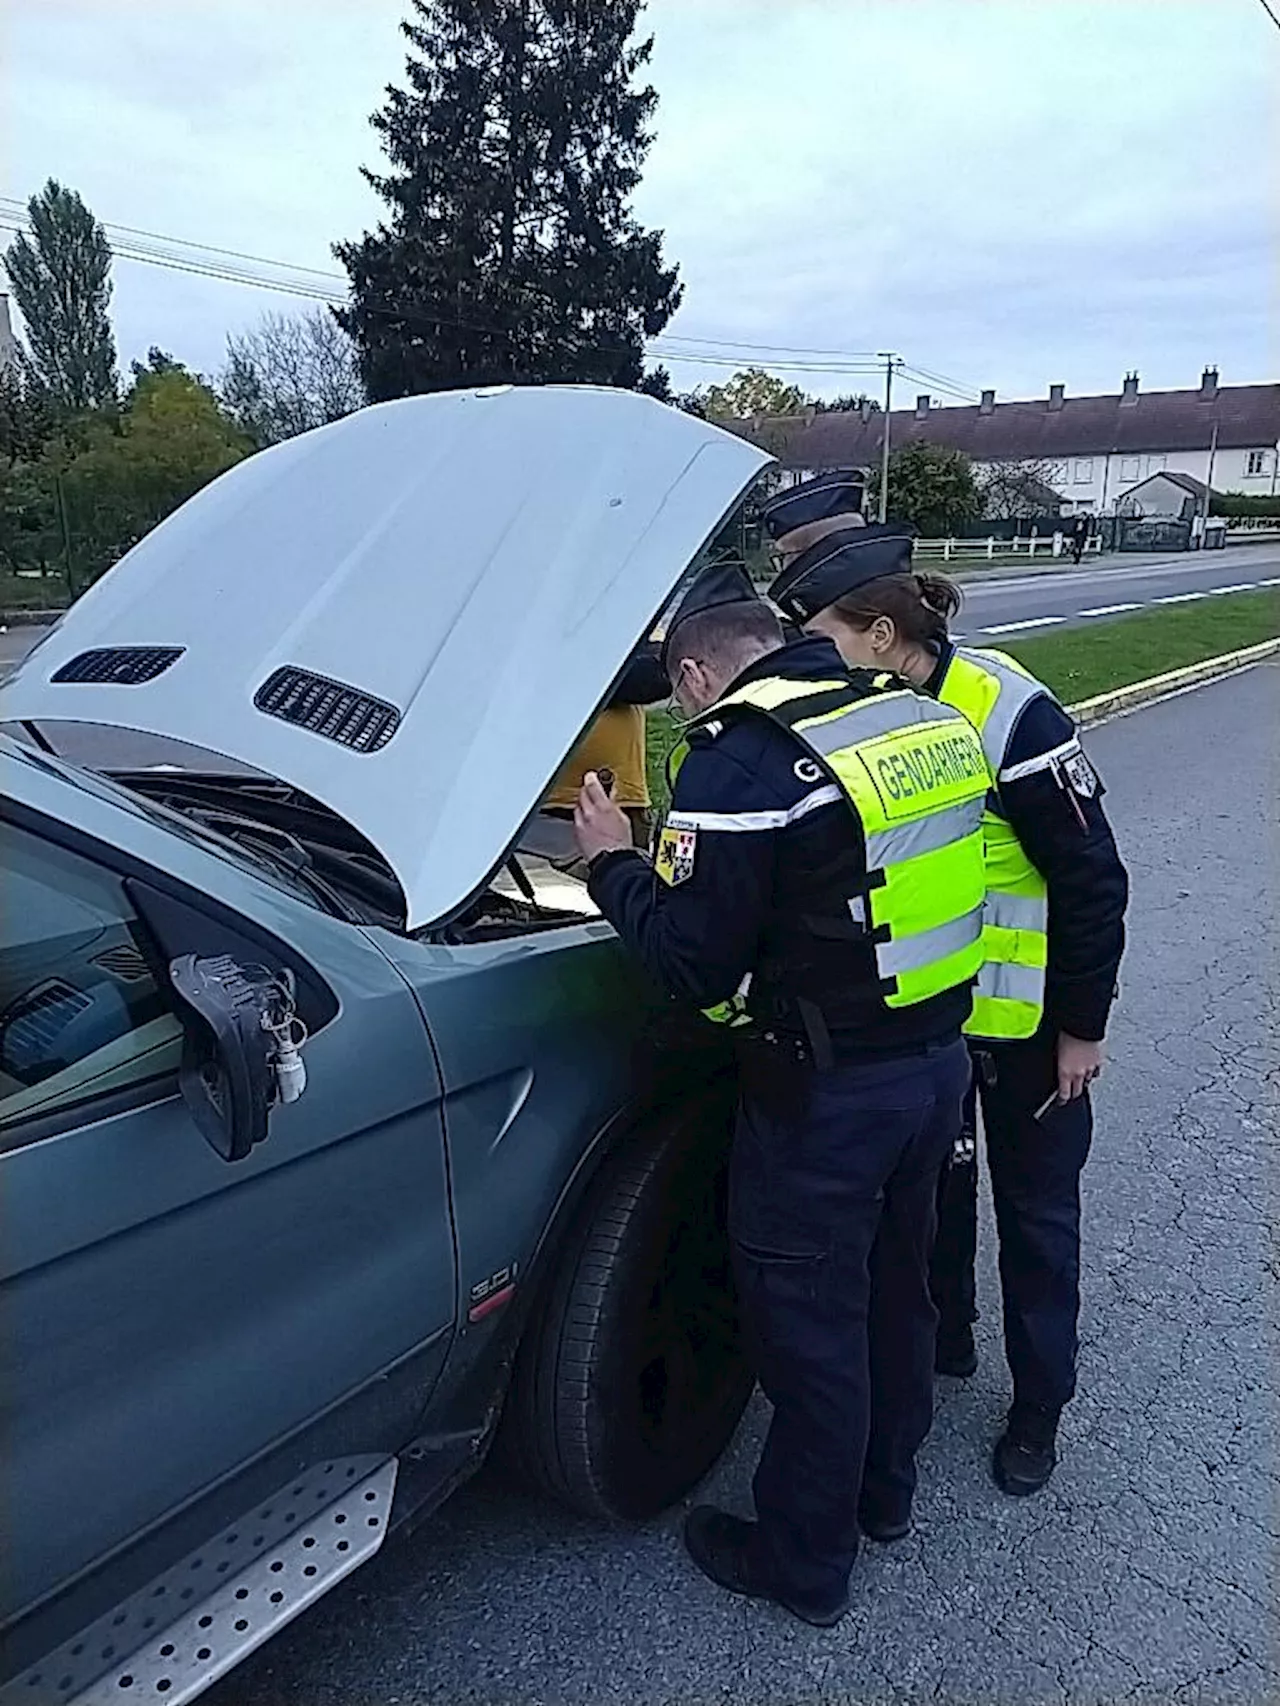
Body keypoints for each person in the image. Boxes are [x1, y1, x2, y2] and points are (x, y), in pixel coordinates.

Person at [573, 559, 989, 1626]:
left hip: (826, 1097)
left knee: (808, 1331)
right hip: (934, 1066)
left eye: (680, 694)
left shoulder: (742, 759)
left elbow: (692, 963)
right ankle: (883, 1494)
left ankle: (804, 1560)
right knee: (897, 1293)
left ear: (699, 670)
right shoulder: (905, 711)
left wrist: (613, 864)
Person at [765, 479, 1129, 1497]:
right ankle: (949, 1340)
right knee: (931, 1205)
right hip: (927, 1029)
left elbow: (1092, 879)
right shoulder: (868, 711)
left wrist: (1079, 1027)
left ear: (882, 631)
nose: (810, 650)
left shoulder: (1005, 709)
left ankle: (1036, 1408)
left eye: (823, 629)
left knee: (1037, 1217)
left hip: (1027, 1031)